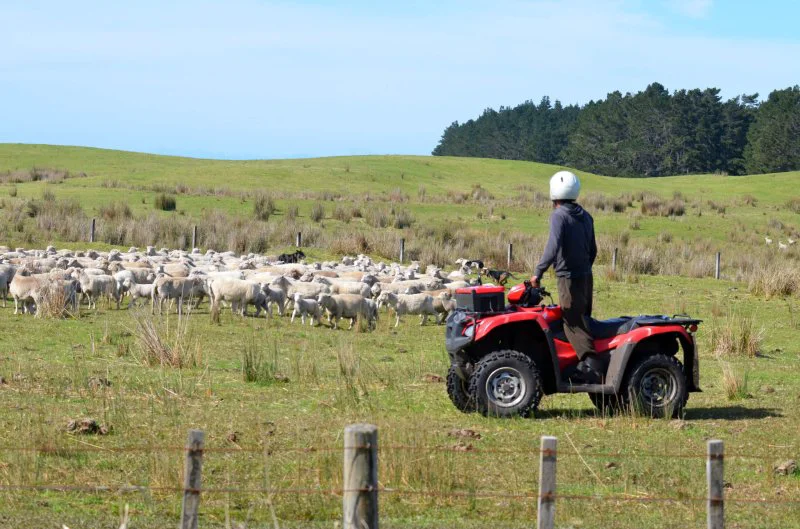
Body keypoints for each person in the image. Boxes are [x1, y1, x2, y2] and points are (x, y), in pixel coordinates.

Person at [530, 171, 602, 383]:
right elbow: (593, 250)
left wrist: (538, 272)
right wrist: (584, 268)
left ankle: (591, 365)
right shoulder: (586, 216)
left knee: (571, 321)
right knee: (583, 318)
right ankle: (581, 362)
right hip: (586, 277)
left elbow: (553, 247)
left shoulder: (559, 216)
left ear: (554, 193)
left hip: (567, 278)